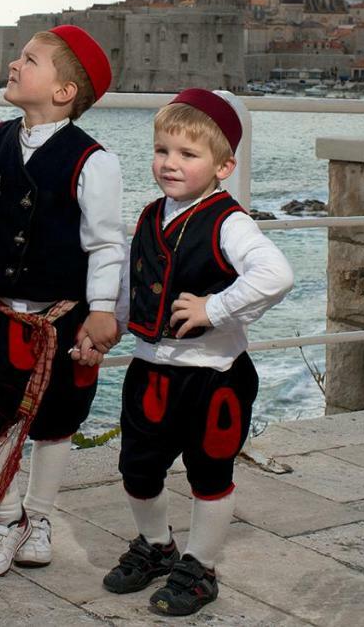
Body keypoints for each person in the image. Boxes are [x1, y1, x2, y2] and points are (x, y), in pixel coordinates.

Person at [0, 25, 126, 579]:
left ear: (64, 92)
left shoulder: (96, 162)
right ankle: (6, 515)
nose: (14, 65)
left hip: (62, 323)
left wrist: (102, 308)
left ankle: (38, 516)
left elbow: (107, 242)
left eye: (29, 60)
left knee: (56, 422)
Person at [102, 89, 292, 616]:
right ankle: (157, 546)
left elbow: (276, 274)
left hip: (214, 377)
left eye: (188, 155)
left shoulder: (229, 222)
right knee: (137, 469)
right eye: (163, 150)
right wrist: (112, 326)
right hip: (149, 370)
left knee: (210, 472)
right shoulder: (148, 216)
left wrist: (217, 309)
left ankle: (200, 566)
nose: (170, 164)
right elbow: (132, 280)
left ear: (223, 166)